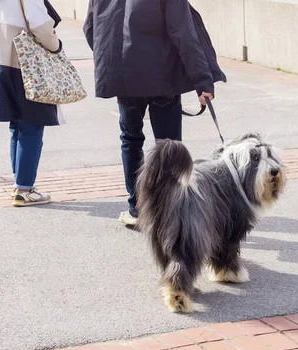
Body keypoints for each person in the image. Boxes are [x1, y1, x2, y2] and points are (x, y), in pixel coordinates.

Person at [83, 0, 226, 226]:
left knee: (130, 140)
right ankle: (170, 209)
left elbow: (91, 30)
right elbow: (184, 33)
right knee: (169, 145)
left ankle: (137, 208)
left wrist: (116, 62)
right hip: (163, 77)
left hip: (125, 78)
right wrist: (203, 80)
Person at [0, 0, 63, 206]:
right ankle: (25, 189)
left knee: (16, 125)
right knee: (31, 125)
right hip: (25, 65)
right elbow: (41, 27)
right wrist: (56, 45)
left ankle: (19, 184)